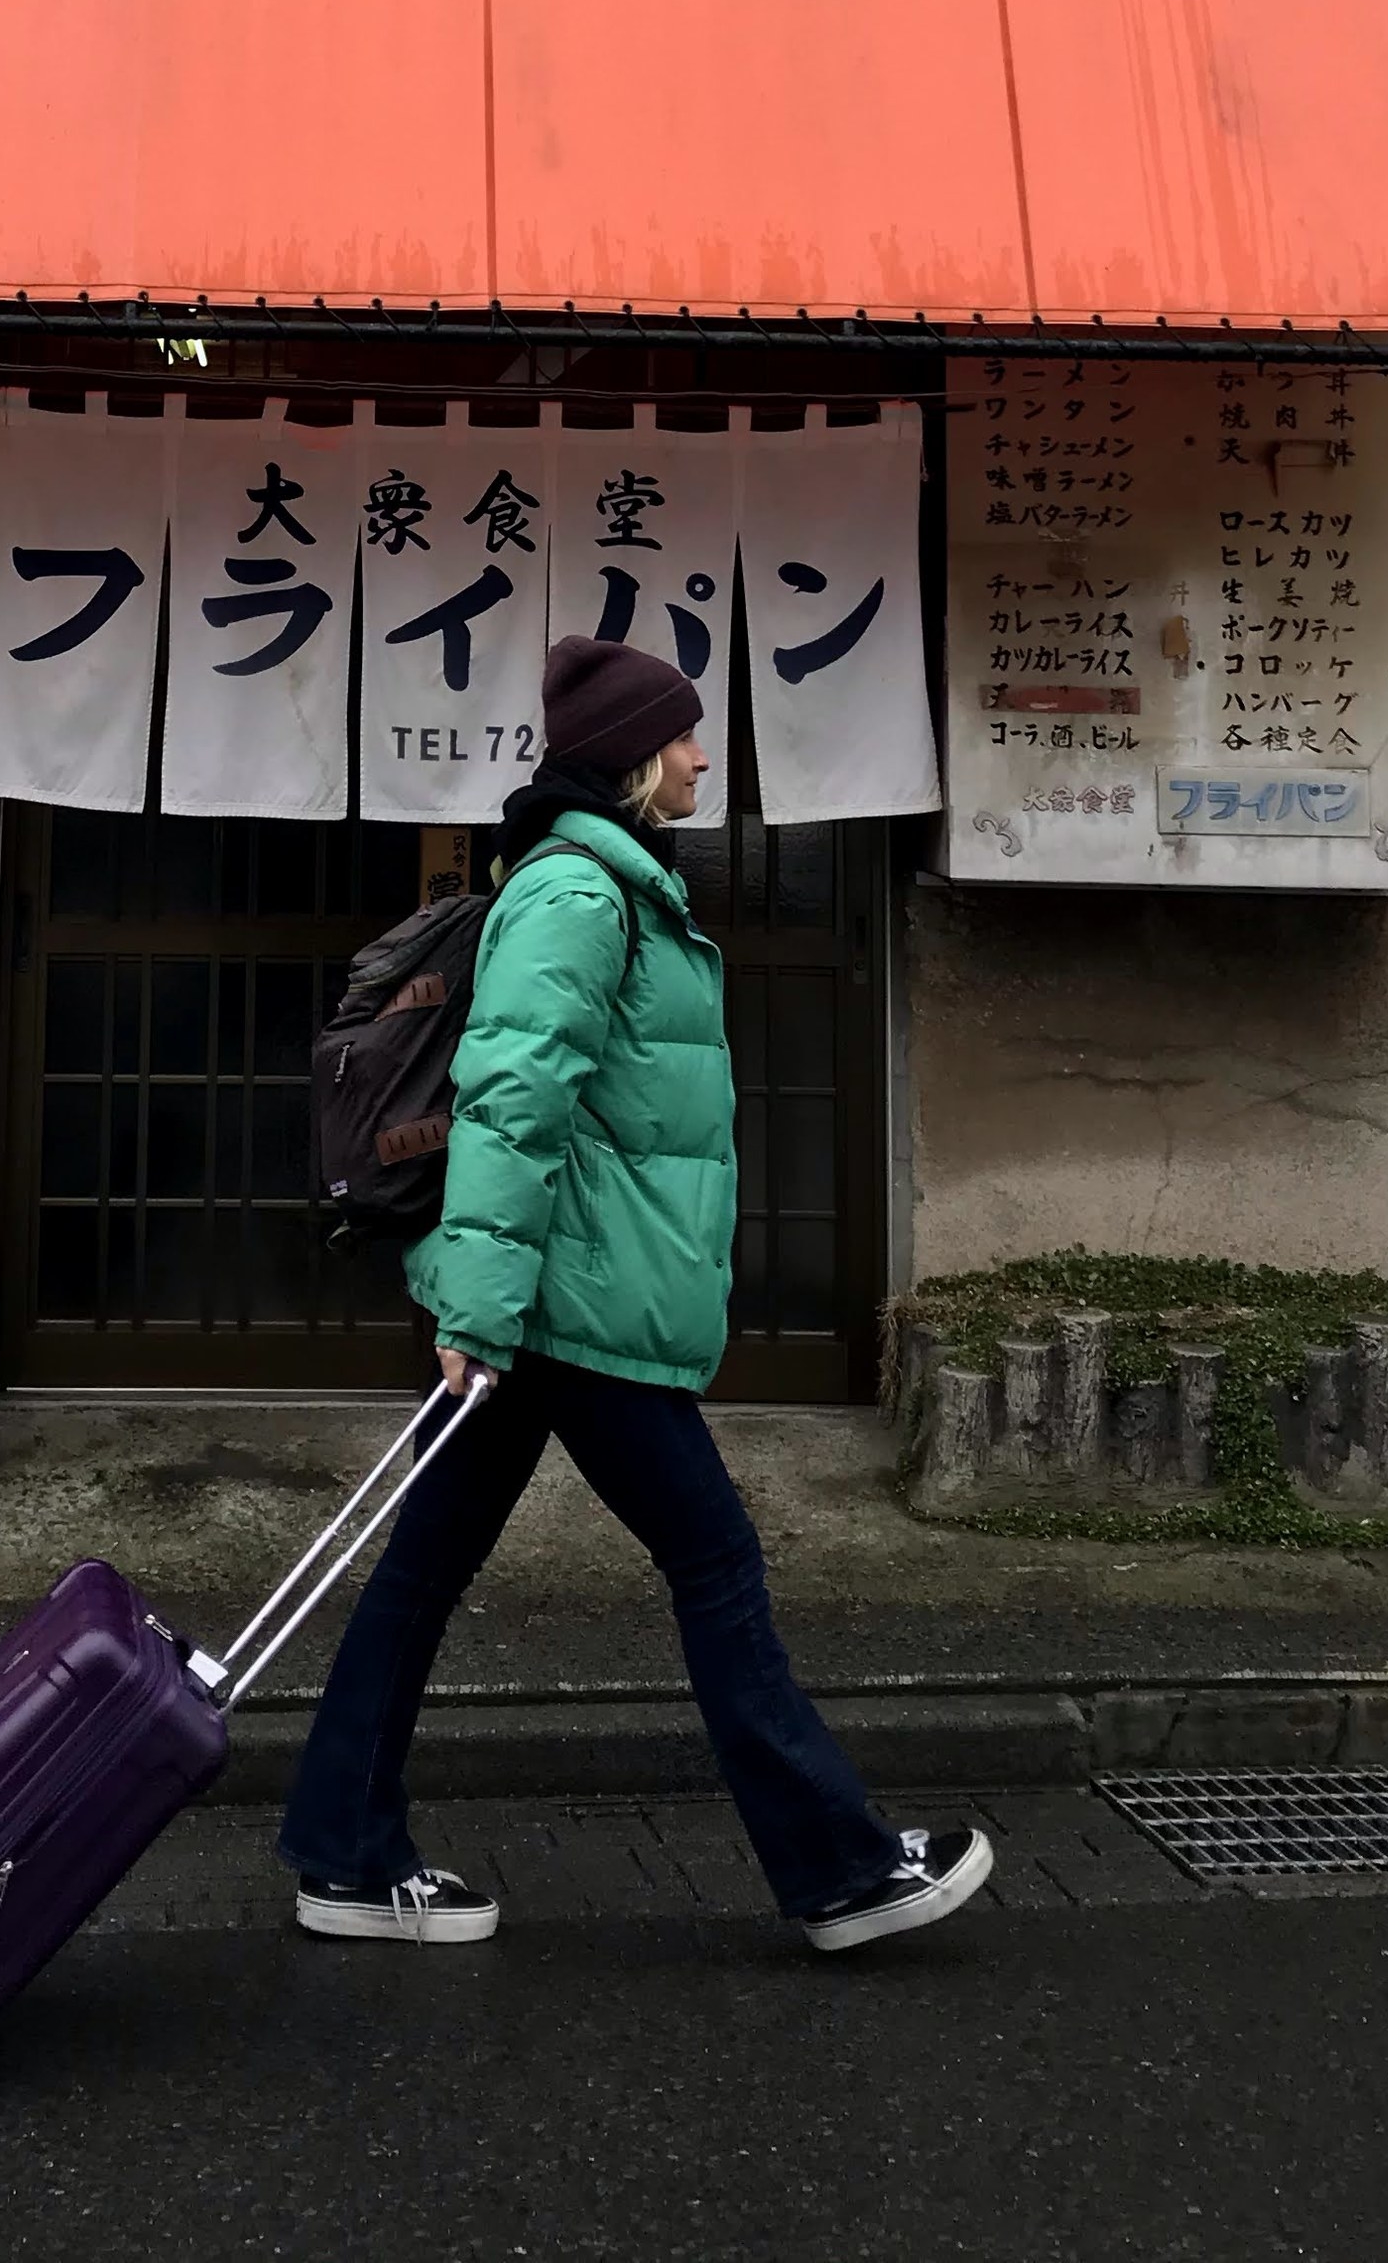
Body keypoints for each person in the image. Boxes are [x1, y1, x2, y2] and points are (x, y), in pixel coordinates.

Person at [279, 632, 993, 1954]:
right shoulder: (581, 897)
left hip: (549, 1297)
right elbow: (510, 1101)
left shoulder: (606, 886)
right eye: (683, 737)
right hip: (563, 1307)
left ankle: (343, 1850)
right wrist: (481, 1313)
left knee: (426, 1569)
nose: (702, 756)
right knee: (714, 1558)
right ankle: (838, 1869)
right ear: (629, 760)